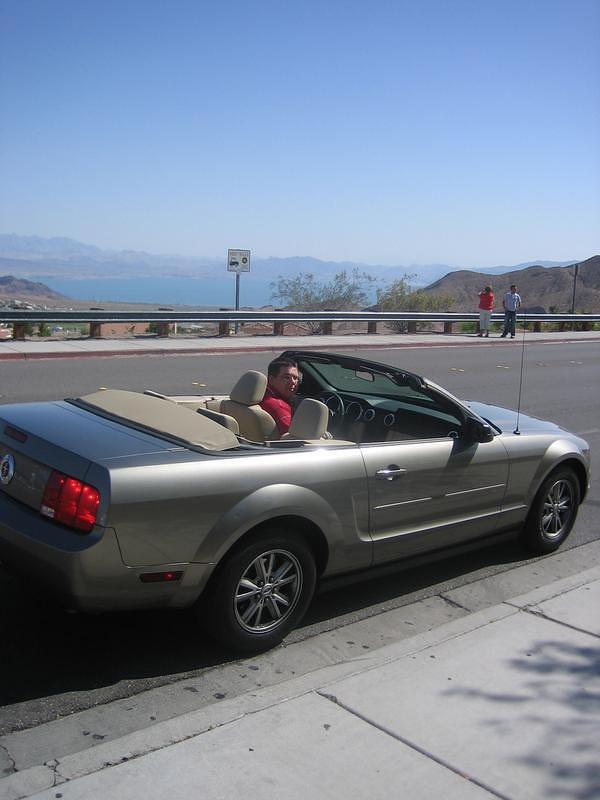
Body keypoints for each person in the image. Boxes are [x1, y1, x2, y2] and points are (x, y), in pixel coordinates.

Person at [259, 357, 301, 435]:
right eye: (286, 377)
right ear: (271, 380)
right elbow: (293, 438)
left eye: (296, 378)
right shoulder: (278, 406)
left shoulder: (261, 395)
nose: (293, 382)